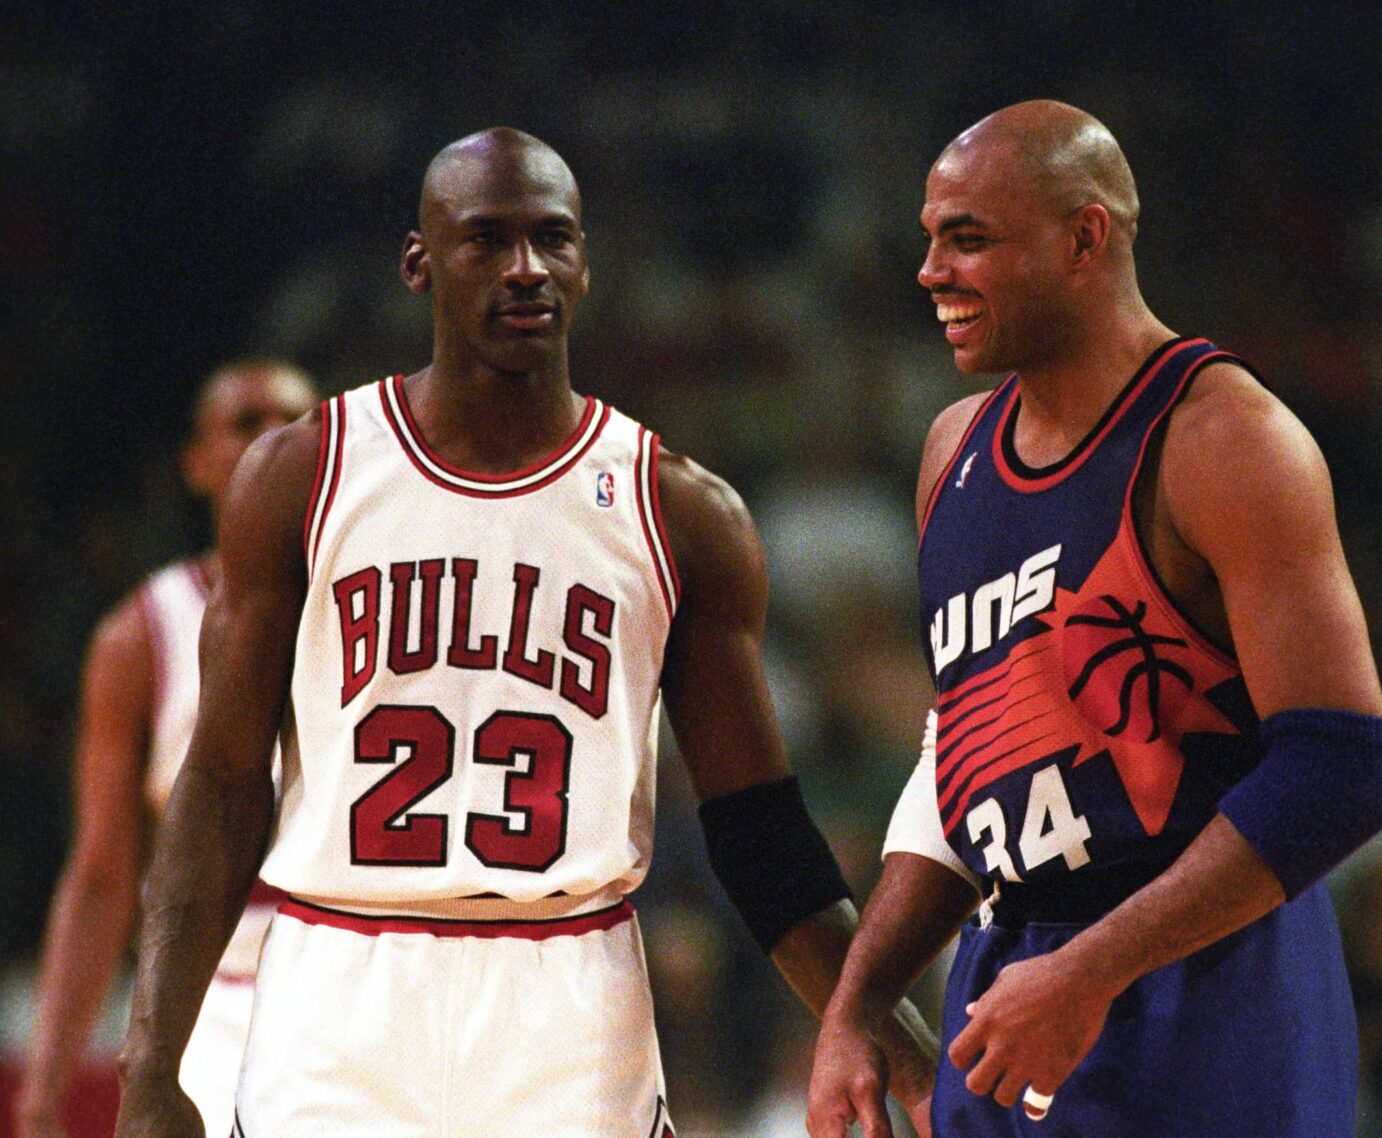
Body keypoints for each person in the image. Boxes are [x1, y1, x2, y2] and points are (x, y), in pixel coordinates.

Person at [111, 128, 935, 1138]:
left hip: (569, 995)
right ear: (419, 264)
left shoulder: (677, 509)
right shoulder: (301, 476)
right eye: (486, 240)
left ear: (587, 263)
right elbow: (224, 781)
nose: (526, 268)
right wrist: (151, 1069)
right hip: (339, 989)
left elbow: (761, 839)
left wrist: (904, 1048)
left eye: (553, 239)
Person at [806, 100, 1382, 1137]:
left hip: (1213, 980)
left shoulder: (1225, 438)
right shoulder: (953, 453)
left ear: (1085, 236)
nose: (930, 272)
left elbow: (1344, 769)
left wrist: (1092, 967)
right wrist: (857, 1004)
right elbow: (963, 754)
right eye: (929, 237)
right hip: (1015, 975)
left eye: (968, 238)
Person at [15, 362, 318, 1138]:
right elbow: (100, 876)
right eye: (247, 421)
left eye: (297, 417)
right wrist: (46, 1090)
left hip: (359, 978)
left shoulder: (382, 601)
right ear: (197, 464)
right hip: (216, 996)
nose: (276, 435)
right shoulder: (140, 633)